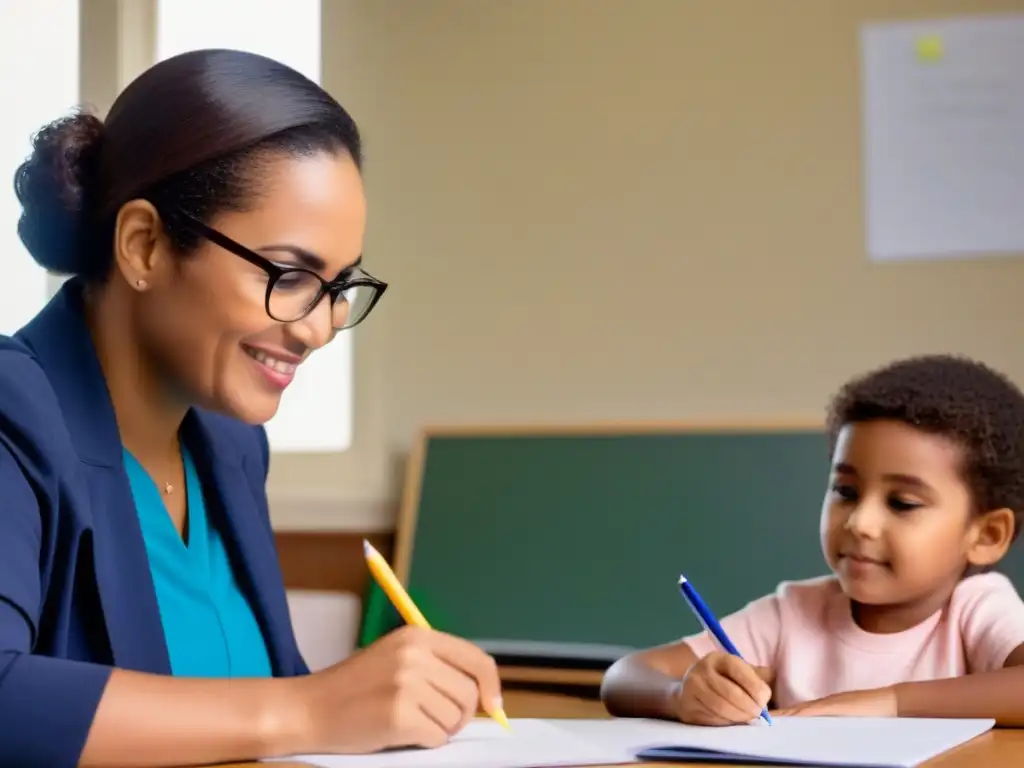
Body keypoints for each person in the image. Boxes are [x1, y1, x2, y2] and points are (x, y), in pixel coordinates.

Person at [0, 48, 503, 767]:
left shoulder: (230, 444)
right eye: (291, 274)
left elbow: (261, 716)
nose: (320, 327)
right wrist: (313, 706)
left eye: (338, 287)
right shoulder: (13, 412)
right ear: (143, 246)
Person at [601, 355, 1024, 726]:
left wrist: (890, 702)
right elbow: (626, 675)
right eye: (846, 492)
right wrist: (681, 697)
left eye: (902, 503)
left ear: (986, 536)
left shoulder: (976, 607)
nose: (861, 522)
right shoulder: (792, 614)